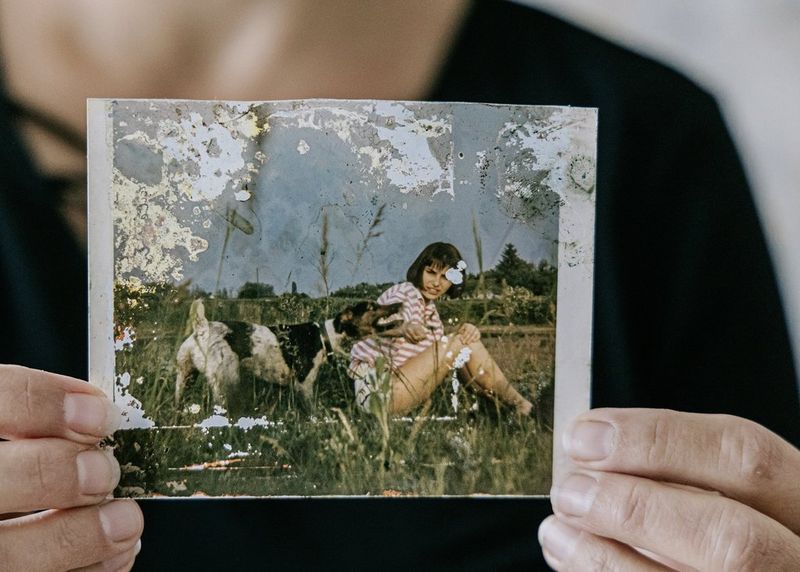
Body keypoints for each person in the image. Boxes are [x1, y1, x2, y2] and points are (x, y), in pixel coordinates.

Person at [0, 1, 798, 570]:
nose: (445, 279)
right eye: (441, 270)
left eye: (449, 272)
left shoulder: (650, 143)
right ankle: (516, 408)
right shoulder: (393, 306)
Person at [349, 242, 533, 415]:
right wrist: (404, 327)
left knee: (466, 341)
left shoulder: (433, 315)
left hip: (403, 390)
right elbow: (371, 325)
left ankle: (498, 407)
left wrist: (468, 331)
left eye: (445, 277)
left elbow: (444, 360)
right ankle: (524, 406)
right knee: (459, 340)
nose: (437, 283)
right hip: (377, 393)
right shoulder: (404, 292)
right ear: (420, 270)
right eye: (431, 272)